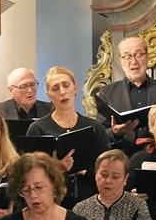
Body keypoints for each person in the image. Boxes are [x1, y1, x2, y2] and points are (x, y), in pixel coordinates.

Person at [28, 66, 109, 207]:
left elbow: (108, 168)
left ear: (75, 88)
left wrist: (83, 170)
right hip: (52, 204)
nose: (62, 92)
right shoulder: (38, 129)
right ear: (48, 95)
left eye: (66, 85)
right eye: (55, 88)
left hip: (91, 203)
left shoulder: (95, 127)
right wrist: (56, 169)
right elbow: (29, 175)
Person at [93, 35, 156, 154]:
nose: (133, 61)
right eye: (127, 56)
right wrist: (116, 133)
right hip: (122, 159)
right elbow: (99, 135)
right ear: (120, 60)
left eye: (138, 54)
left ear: (147, 56)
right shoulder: (107, 92)